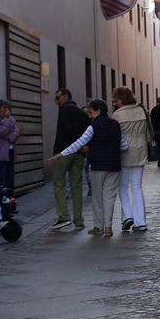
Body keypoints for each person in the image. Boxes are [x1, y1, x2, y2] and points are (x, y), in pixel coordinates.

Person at [48, 99, 125, 236]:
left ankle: (98, 226)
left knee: (97, 197)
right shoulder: (115, 124)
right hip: (114, 165)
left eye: (90, 112)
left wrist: (61, 154)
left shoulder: (93, 127)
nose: (89, 115)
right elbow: (124, 145)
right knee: (110, 197)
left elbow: (79, 143)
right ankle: (108, 227)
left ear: (97, 110)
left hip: (97, 165)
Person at [112, 87, 151, 232]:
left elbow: (115, 136)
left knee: (122, 186)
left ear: (121, 99)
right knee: (137, 186)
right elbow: (147, 132)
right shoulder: (141, 110)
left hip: (124, 151)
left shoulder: (117, 115)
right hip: (140, 150)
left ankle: (128, 216)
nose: (115, 103)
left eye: (116, 100)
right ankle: (141, 221)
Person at [49, 88, 89, 230]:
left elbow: (65, 131)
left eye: (58, 98)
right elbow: (88, 131)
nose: (56, 102)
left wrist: (58, 152)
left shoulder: (64, 110)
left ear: (66, 96)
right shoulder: (82, 113)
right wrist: (83, 147)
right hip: (79, 154)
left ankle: (63, 217)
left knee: (58, 182)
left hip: (66, 152)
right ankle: (78, 220)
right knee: (76, 186)